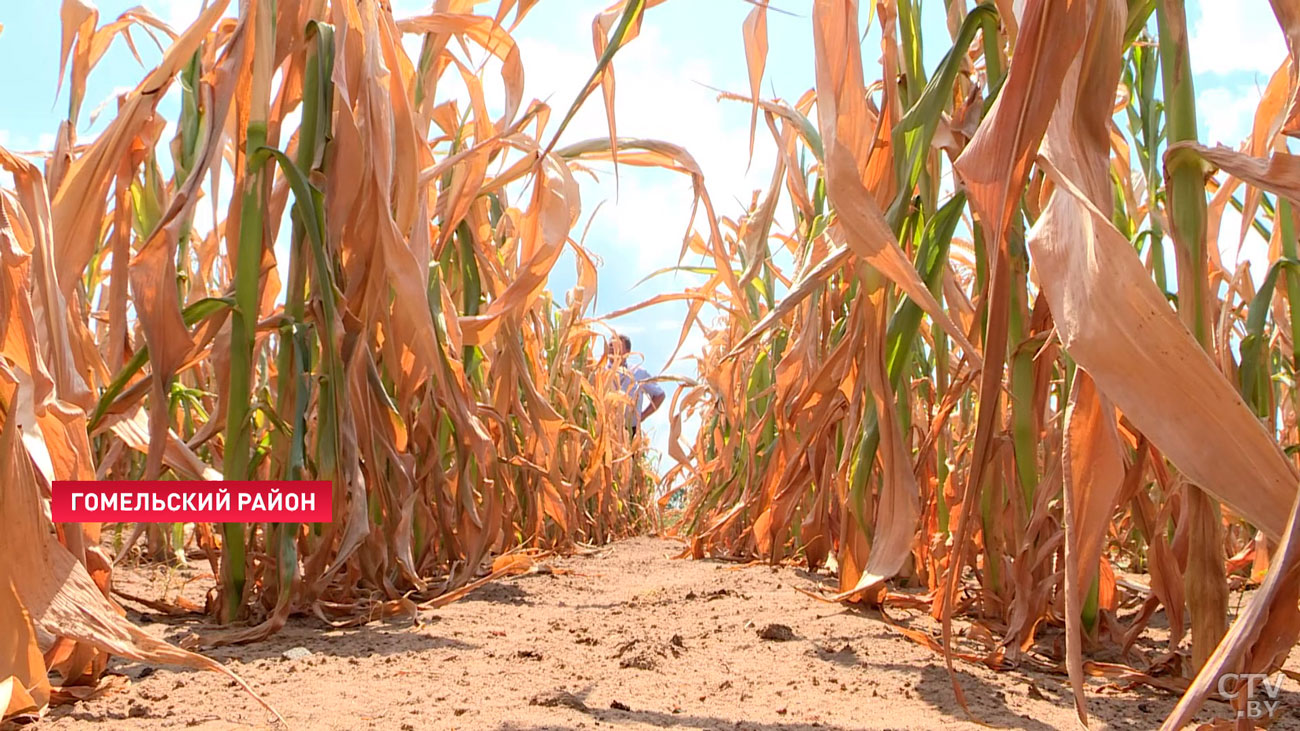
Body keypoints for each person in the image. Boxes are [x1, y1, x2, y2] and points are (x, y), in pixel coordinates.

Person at [608, 333, 665, 436]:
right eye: (610, 345)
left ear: (628, 352)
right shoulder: (599, 372)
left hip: (631, 431)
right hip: (605, 430)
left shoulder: (638, 373)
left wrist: (642, 417)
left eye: (617, 345)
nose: (612, 348)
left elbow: (659, 395)